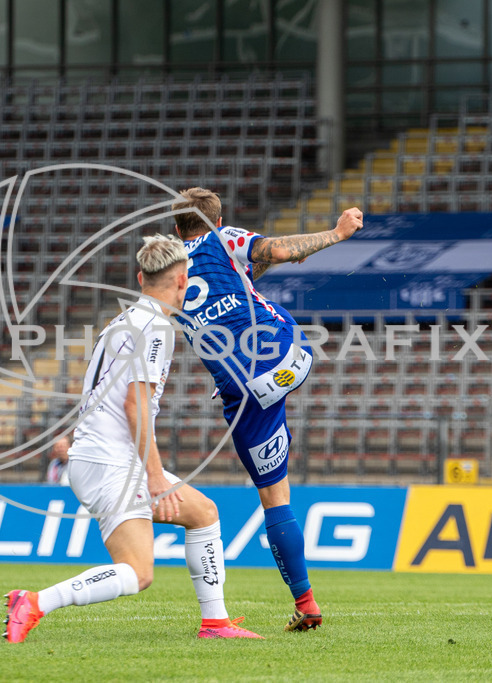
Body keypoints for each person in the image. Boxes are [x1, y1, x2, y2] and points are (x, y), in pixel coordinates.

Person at [3, 234, 261, 643]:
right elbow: (135, 406)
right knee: (138, 574)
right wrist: (155, 476)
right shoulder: (155, 327)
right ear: (183, 280)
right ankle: (35, 602)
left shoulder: (124, 321)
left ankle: (215, 623)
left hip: (98, 457)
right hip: (112, 463)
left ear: (141, 278)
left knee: (203, 513)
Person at [172, 187, 364, 632]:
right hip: (288, 357)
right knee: (260, 303)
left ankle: (307, 601)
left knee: (274, 499)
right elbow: (273, 249)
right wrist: (337, 233)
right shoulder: (223, 238)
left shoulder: (170, 270)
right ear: (217, 221)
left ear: (177, 230)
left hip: (242, 394)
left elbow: (242, 269)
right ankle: (305, 605)